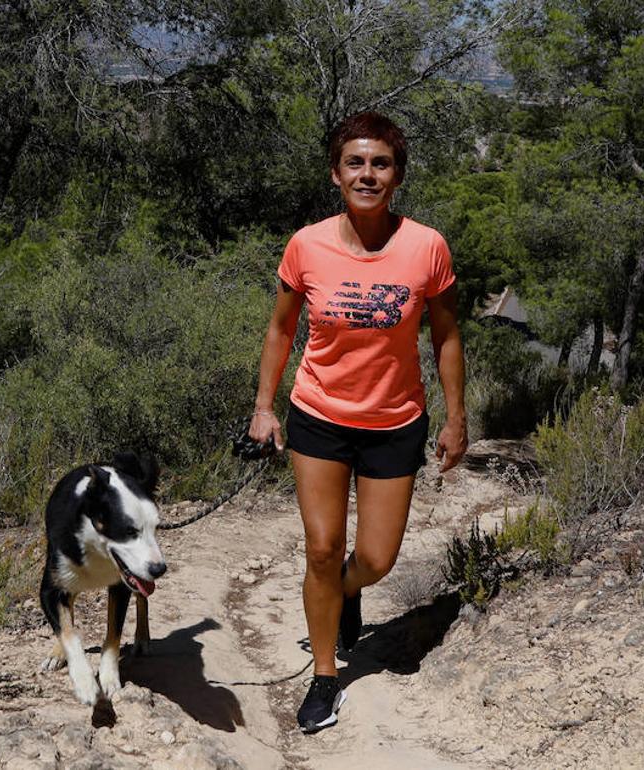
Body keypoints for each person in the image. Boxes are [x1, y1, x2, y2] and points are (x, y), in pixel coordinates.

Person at [248, 111, 468, 733]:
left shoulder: (426, 247)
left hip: (396, 422)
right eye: (355, 162)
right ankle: (325, 678)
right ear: (335, 173)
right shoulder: (307, 244)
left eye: (381, 164)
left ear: (396, 176)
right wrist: (264, 408)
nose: (367, 174)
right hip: (319, 414)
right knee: (322, 549)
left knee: (374, 558)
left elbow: (447, 336)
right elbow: (281, 329)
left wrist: (457, 419)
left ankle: (350, 592)